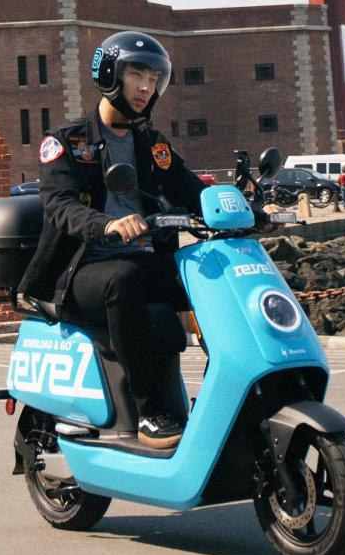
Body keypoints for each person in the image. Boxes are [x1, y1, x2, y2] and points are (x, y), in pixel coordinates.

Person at [18, 31, 206, 450]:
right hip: (81, 269)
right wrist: (107, 225)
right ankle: (148, 412)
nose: (145, 87)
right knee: (122, 279)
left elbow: (189, 186)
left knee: (208, 273)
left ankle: (223, 396)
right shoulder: (66, 143)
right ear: (109, 75)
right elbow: (60, 207)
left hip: (145, 261)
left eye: (154, 78)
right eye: (136, 74)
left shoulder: (152, 143)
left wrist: (252, 210)